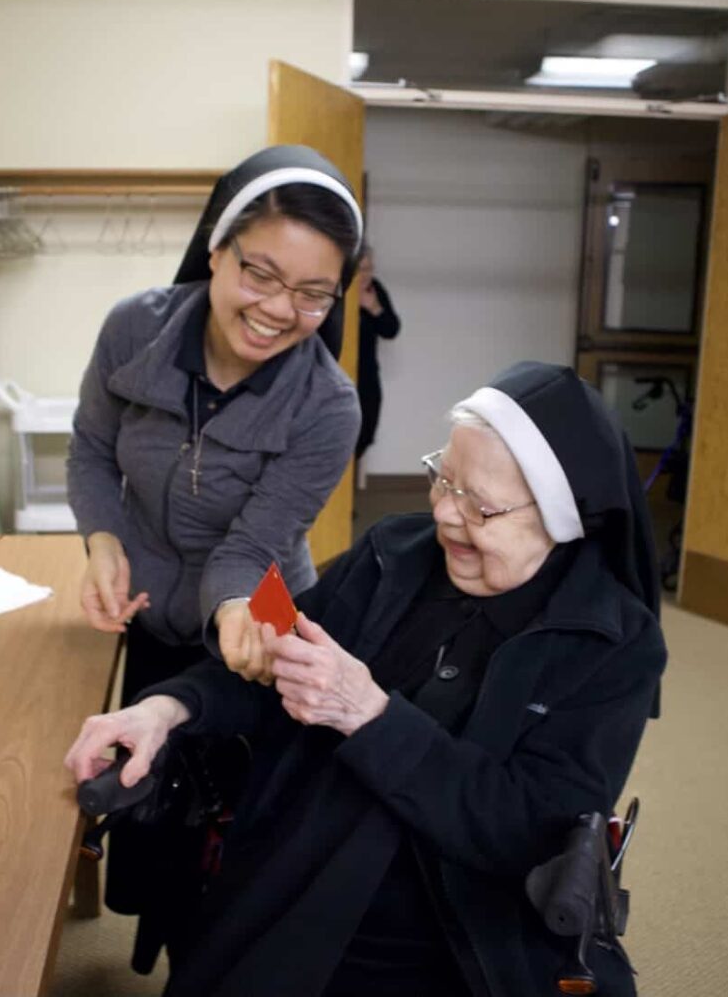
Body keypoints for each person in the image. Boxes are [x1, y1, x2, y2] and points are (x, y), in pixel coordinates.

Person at [65, 361, 668, 997]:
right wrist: (167, 708)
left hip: (447, 926)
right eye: (443, 480)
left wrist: (370, 716)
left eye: (480, 506)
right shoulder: (392, 552)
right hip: (293, 864)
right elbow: (272, 666)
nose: (444, 515)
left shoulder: (612, 642)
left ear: (562, 516)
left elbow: (531, 831)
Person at [65, 145, 364, 970]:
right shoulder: (136, 328)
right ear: (216, 249)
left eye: (312, 293)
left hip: (263, 598)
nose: (277, 309)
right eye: (260, 274)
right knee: (153, 794)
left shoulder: (329, 407)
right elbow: (91, 448)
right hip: (155, 601)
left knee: (242, 817)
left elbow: (253, 544)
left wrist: (236, 609)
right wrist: (101, 541)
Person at [355, 246, 401, 461]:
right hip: (334, 372)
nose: (367, 275)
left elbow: (391, 328)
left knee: (366, 429)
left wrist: (373, 307)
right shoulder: (334, 288)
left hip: (367, 374)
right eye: (361, 269)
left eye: (370, 268)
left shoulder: (375, 290)